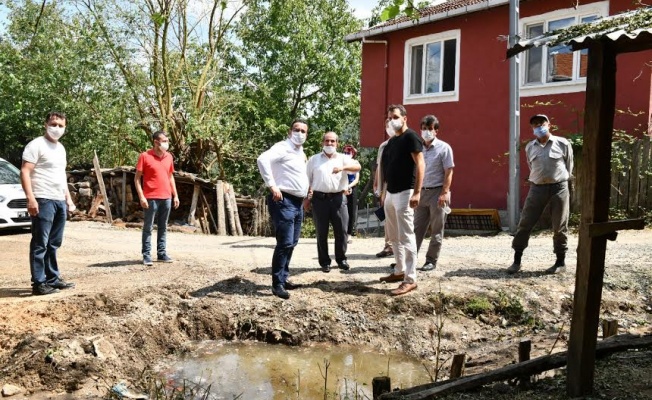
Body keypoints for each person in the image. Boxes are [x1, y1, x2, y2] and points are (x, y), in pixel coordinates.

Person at [508, 114, 574, 274]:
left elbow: (569, 166)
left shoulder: (563, 143)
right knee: (525, 223)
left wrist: (560, 182)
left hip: (559, 187)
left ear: (549, 124)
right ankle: (516, 261)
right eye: (535, 125)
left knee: (559, 225)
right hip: (537, 188)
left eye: (541, 123)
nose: (538, 127)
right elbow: (532, 167)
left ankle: (560, 262)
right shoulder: (530, 147)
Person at [21, 111, 76, 296]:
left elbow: (61, 176)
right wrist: (31, 198)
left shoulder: (61, 148)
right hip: (43, 199)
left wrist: (68, 199)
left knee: (54, 243)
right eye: (53, 124)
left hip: (59, 200)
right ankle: (39, 283)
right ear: (46, 124)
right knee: (40, 243)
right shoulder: (36, 145)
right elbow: (25, 171)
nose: (56, 128)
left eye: (60, 126)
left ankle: (52, 278)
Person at [257, 119, 310, 299]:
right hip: (284, 200)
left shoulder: (300, 152)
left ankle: (284, 277)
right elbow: (262, 159)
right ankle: (277, 284)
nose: (300, 133)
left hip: (297, 202)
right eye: (297, 129)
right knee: (285, 242)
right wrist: (272, 186)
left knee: (292, 242)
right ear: (290, 131)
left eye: (303, 131)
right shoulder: (282, 147)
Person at [378, 105, 424, 296]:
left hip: (406, 192)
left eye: (395, 117)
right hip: (391, 193)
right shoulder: (390, 143)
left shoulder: (411, 137)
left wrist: (417, 192)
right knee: (393, 235)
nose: (392, 120)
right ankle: (399, 271)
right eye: (389, 118)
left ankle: (410, 279)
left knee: (406, 236)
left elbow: (420, 163)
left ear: (405, 118)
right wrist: (384, 191)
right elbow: (387, 170)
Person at [305, 132, 361, 273]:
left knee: (341, 231)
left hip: (338, 198)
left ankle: (341, 259)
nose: (329, 144)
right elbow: (307, 179)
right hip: (319, 200)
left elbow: (358, 167)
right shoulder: (313, 160)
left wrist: (343, 168)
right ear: (322, 143)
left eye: (332, 141)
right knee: (321, 232)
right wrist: (306, 198)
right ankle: (324, 262)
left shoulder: (343, 158)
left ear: (337, 143)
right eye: (327, 141)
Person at [414, 115, 455, 272]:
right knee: (416, 228)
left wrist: (444, 192)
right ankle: (410, 259)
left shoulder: (444, 148)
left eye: (429, 129)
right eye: (424, 129)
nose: (426, 132)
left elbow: (449, 171)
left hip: (437, 191)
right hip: (421, 192)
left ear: (436, 131)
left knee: (436, 229)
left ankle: (431, 260)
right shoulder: (418, 148)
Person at [134, 131, 180, 266]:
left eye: (167, 140)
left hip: (166, 197)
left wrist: (175, 195)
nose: (166, 143)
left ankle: (161, 253)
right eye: (164, 141)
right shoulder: (144, 156)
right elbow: (137, 178)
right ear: (156, 142)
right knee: (148, 227)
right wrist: (142, 196)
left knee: (163, 227)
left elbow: (170, 176)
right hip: (151, 198)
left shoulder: (169, 157)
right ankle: (146, 255)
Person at [374, 119, 395, 258]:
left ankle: (401, 247)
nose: (390, 127)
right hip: (387, 185)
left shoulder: (406, 142)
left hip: (403, 186)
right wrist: (377, 185)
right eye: (387, 125)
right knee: (388, 216)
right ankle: (389, 246)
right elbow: (379, 166)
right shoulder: (383, 146)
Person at [342, 144, 360, 241]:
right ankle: (342, 233)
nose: (347, 153)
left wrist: (349, 186)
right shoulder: (340, 162)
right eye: (345, 152)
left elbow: (356, 179)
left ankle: (349, 234)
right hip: (341, 188)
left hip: (352, 187)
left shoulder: (355, 163)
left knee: (351, 211)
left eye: (349, 152)